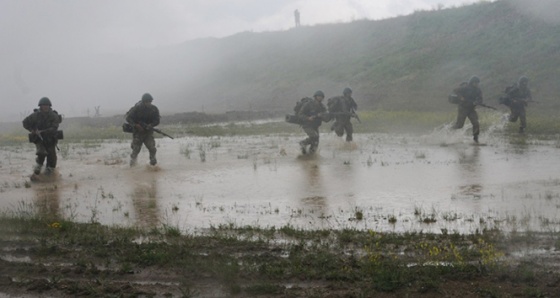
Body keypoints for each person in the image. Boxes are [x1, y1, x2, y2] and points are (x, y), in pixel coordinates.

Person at [22, 97, 61, 175]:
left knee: (52, 158)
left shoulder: (53, 115)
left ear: (49, 106)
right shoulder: (35, 115)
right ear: (40, 106)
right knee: (41, 153)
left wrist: (43, 131)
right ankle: (37, 170)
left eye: (47, 105)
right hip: (39, 139)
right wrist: (32, 130)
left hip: (50, 139)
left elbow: (54, 127)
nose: (45, 107)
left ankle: (49, 175)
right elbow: (25, 122)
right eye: (43, 105)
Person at [125, 93, 161, 166]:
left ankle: (153, 164)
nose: (148, 103)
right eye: (147, 102)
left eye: (150, 102)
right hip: (138, 133)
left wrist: (151, 125)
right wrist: (136, 125)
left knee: (152, 148)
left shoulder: (154, 109)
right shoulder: (137, 108)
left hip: (148, 132)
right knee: (136, 150)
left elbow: (157, 120)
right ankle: (132, 166)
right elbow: (128, 118)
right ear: (143, 101)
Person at [451, 76, 484, 143]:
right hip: (463, 108)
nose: (477, 84)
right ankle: (449, 131)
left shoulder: (478, 90)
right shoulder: (465, 87)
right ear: (472, 82)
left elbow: (480, 99)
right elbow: (455, 90)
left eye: (478, 83)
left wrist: (478, 102)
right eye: (476, 83)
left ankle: (476, 139)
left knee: (476, 123)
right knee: (459, 125)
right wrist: (461, 97)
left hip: (471, 109)